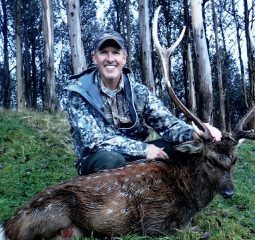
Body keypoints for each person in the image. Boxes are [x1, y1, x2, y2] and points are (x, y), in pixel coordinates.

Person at [64, 30, 221, 176]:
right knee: (112, 161)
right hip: (98, 159)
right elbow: (94, 141)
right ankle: (106, 205)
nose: (110, 59)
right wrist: (143, 149)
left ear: (124, 58)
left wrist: (195, 133)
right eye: (104, 53)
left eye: (116, 53)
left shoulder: (139, 92)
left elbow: (168, 124)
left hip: (135, 155)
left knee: (184, 148)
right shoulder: (78, 92)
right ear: (95, 58)